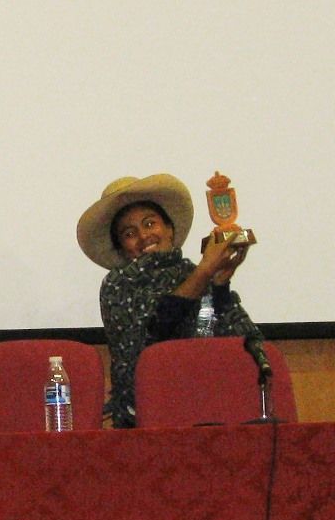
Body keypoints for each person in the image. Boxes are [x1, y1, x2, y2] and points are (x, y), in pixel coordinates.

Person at [76, 173, 262, 428]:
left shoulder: (193, 273)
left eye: (150, 224)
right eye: (130, 233)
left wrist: (219, 286)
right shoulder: (118, 284)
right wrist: (205, 272)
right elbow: (155, 334)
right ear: (120, 248)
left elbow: (241, 340)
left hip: (212, 411)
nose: (144, 236)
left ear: (170, 229)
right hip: (147, 422)